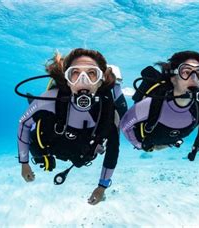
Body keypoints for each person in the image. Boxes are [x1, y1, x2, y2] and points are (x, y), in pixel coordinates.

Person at [15, 48, 121, 205]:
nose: (83, 80)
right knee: (36, 146)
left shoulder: (107, 112)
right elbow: (24, 124)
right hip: (50, 144)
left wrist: (102, 187)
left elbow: (113, 149)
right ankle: (32, 103)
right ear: (67, 79)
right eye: (75, 73)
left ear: (100, 81)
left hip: (80, 153)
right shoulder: (49, 100)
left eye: (92, 73)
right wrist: (24, 163)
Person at [119, 51, 199, 161]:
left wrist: (168, 145)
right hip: (148, 139)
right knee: (119, 112)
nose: (194, 78)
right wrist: (141, 146)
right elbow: (124, 125)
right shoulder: (152, 104)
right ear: (173, 78)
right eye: (187, 72)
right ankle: (117, 86)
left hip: (168, 141)